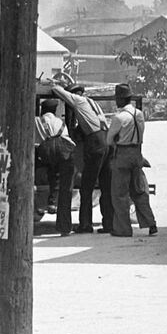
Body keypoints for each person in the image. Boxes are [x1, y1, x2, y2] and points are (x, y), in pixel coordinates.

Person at [51, 81, 111, 233]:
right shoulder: (92, 103)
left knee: (86, 186)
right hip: (106, 140)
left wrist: (56, 84)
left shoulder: (78, 101)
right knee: (105, 185)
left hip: (95, 142)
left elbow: (57, 91)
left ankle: (85, 225)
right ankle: (109, 223)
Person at [105, 83, 157, 238]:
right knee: (139, 191)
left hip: (122, 154)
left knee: (119, 194)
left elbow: (109, 140)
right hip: (137, 154)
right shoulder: (139, 114)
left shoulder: (119, 118)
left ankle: (123, 229)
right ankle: (151, 223)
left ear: (119, 99)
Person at [34, 100, 77, 236]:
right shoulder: (60, 122)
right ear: (54, 111)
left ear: (42, 109)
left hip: (47, 155)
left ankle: (51, 200)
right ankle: (64, 228)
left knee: (52, 173)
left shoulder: (37, 121)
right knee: (66, 190)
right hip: (64, 154)